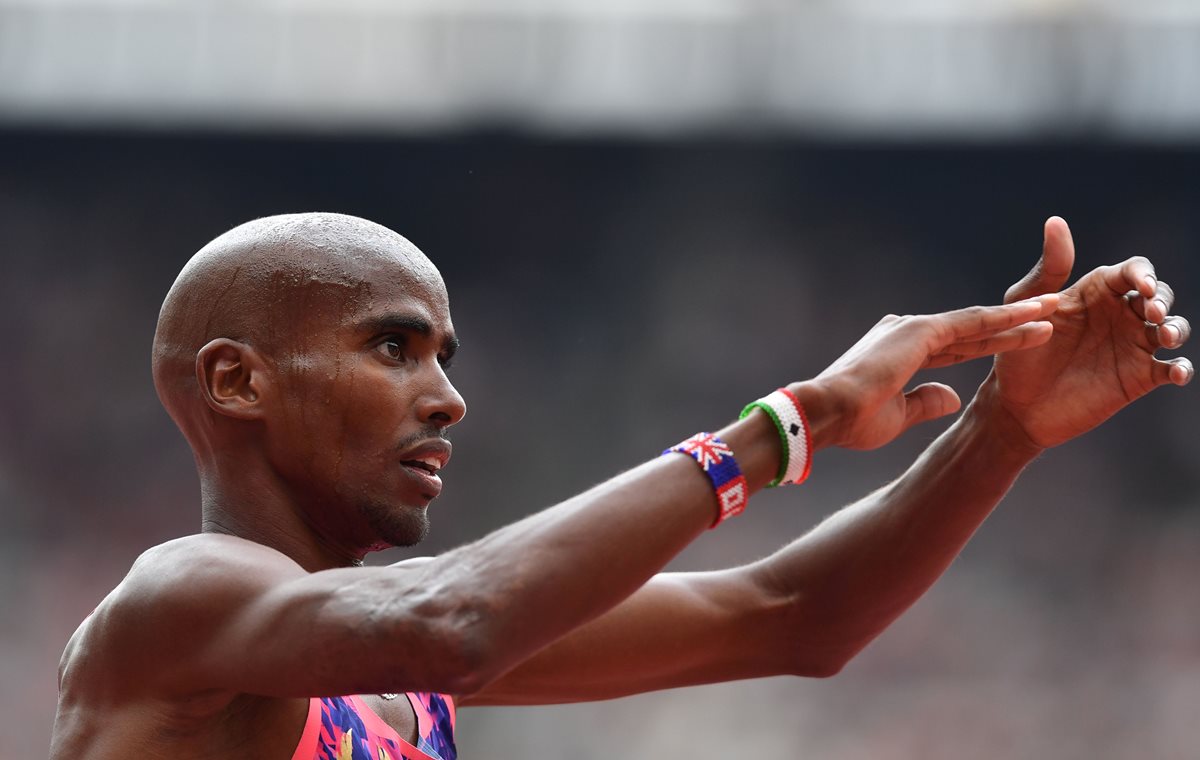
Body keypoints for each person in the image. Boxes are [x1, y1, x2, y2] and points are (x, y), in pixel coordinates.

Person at [50, 212, 1191, 760]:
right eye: (394, 348)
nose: (448, 398)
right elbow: (452, 622)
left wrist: (1004, 429)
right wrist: (790, 424)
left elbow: (795, 614)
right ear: (238, 381)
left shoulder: (386, 667)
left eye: (445, 355)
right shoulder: (177, 603)